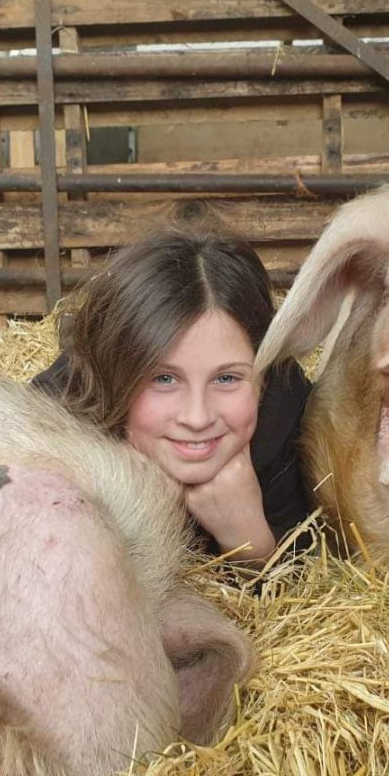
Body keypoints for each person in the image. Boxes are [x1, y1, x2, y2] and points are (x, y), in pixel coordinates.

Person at [31, 228, 312, 562]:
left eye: (226, 378)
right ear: (116, 373)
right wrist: (129, 501)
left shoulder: (288, 416)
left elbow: (302, 580)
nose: (197, 418)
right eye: (164, 378)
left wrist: (249, 541)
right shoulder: (60, 412)